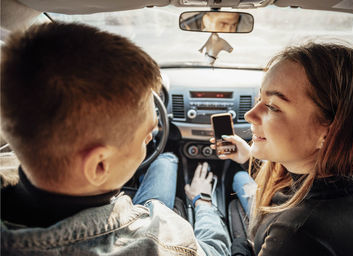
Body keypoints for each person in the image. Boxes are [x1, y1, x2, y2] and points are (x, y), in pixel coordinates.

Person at [0, 22, 230, 255]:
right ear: (99, 165)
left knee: (165, 159)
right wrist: (203, 201)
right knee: (167, 160)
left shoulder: (9, 158)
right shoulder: (167, 242)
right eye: (145, 136)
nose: (151, 137)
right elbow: (216, 250)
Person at [211, 43, 353, 255]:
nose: (249, 115)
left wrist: (239, 246)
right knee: (240, 179)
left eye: (272, 106)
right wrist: (247, 157)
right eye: (259, 99)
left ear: (329, 132)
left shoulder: (297, 234)